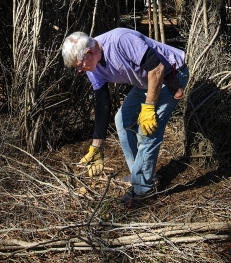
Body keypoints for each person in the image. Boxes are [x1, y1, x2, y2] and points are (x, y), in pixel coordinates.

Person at [61, 27, 189, 203]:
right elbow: (102, 103)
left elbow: (157, 68)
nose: (80, 70)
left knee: (148, 130)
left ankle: (143, 190)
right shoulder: (93, 67)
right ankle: (140, 173)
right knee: (121, 120)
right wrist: (97, 146)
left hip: (169, 75)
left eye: (79, 65)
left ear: (89, 52)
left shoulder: (121, 40)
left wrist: (149, 107)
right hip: (144, 81)